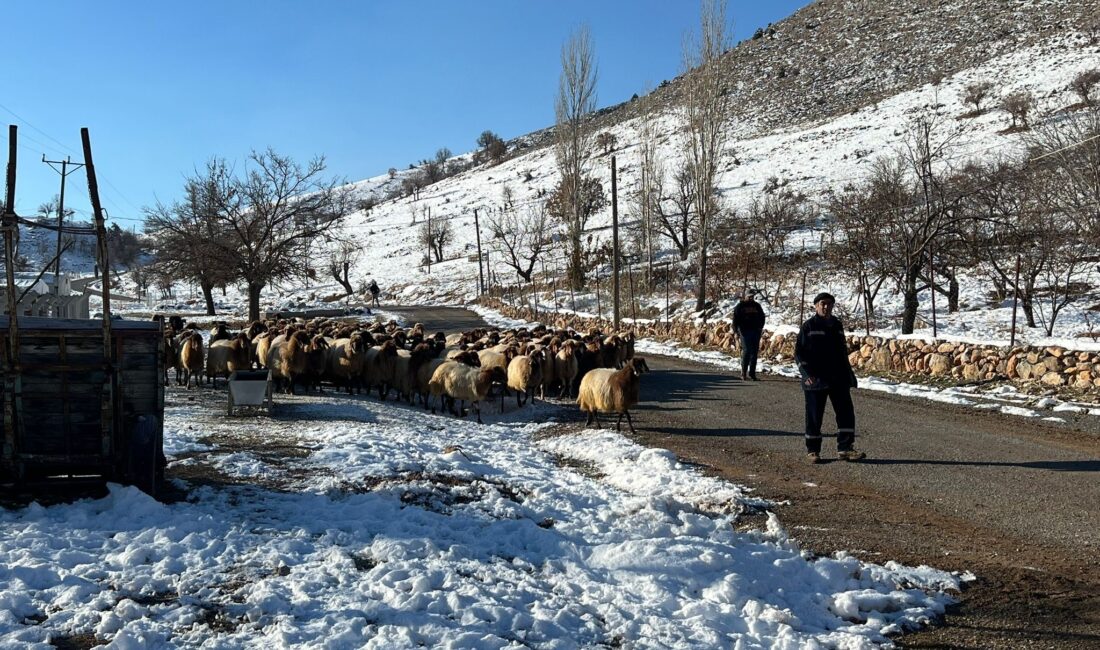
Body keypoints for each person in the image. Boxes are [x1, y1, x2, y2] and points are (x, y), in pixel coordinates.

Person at [795, 292, 864, 464]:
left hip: (838, 378)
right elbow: (798, 353)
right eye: (822, 304)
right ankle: (813, 450)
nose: (826, 307)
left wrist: (849, 375)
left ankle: (845, 448)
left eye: (829, 304)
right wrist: (806, 375)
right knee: (814, 416)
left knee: (846, 414)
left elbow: (842, 354)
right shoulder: (808, 327)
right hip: (815, 380)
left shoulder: (837, 325)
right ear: (816, 306)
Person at [732, 290, 766, 380]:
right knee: (747, 351)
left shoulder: (757, 306)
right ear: (745, 296)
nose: (751, 298)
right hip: (744, 331)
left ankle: (752, 373)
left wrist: (760, 327)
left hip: (755, 331)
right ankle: (743, 373)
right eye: (749, 296)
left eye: (752, 296)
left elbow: (762, 316)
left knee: (754, 352)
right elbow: (735, 320)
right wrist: (735, 332)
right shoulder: (740, 306)